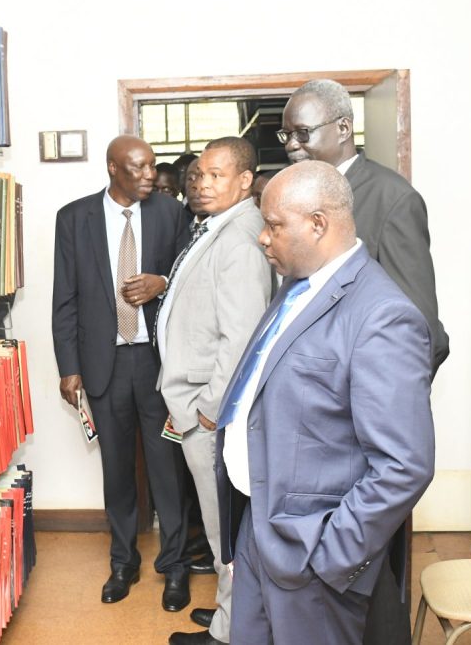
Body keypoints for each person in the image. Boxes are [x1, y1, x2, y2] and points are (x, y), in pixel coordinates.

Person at [214, 161, 435, 644]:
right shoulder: (298, 286)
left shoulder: (382, 315)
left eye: (274, 225)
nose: (263, 239)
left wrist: (329, 555)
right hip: (259, 526)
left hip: (310, 552)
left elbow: (404, 465)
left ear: (318, 223)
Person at [279, 79, 448, 645]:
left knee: (374, 589)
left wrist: (375, 404)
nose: (292, 145)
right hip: (311, 438)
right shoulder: (301, 199)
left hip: (363, 436)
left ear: (344, 130)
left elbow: (422, 328)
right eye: (286, 135)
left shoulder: (392, 199)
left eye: (303, 133)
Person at [52, 134, 192, 611]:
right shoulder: (74, 219)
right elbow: (65, 299)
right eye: (139, 167)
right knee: (117, 471)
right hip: (103, 365)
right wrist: (69, 367)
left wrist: (163, 282)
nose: (151, 174)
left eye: (153, 165)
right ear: (114, 169)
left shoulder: (171, 214)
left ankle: (174, 567)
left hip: (156, 365)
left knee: (167, 469)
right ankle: (123, 562)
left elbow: (191, 285)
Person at [157, 137, 273, 645]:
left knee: (223, 531)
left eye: (216, 175)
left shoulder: (241, 238)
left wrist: (208, 411)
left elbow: (242, 336)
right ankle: (232, 614)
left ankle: (230, 633)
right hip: (198, 405)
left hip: (211, 410)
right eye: (198, 174)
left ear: (245, 181)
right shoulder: (219, 226)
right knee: (220, 527)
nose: (202, 183)